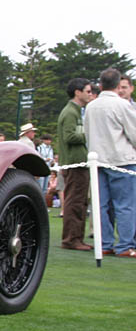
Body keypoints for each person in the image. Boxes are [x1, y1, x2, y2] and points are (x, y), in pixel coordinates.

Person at [84, 67, 136, 257]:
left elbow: (87, 134)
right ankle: (125, 245)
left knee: (101, 205)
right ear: (116, 85)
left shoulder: (91, 106)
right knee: (125, 205)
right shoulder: (123, 105)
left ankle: (104, 243)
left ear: (100, 85)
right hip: (121, 160)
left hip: (97, 159)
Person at [57, 78, 94, 250]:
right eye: (87, 91)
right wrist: (91, 134)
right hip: (74, 163)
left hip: (79, 162)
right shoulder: (70, 112)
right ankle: (71, 239)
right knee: (75, 202)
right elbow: (69, 136)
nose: (90, 94)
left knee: (80, 201)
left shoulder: (76, 111)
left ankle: (76, 237)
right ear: (77, 92)